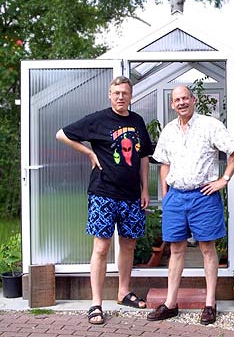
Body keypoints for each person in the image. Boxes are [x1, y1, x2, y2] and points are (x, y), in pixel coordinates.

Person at [56, 76, 153, 324]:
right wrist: (88, 152)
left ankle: (123, 292)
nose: (121, 97)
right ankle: (96, 303)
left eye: (125, 93)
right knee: (101, 248)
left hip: (131, 196)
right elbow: (61, 134)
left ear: (131, 96)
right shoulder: (98, 119)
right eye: (116, 93)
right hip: (103, 193)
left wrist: (145, 189)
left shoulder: (137, 121)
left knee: (129, 245)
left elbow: (143, 157)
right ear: (110, 95)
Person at [147, 85, 234, 325]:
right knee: (176, 249)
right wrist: (165, 191)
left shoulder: (210, 125)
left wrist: (224, 180)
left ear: (193, 99)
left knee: (207, 249)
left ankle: (210, 303)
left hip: (204, 196)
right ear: (172, 104)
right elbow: (164, 162)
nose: (181, 103)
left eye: (185, 98)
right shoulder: (169, 130)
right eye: (176, 100)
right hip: (176, 198)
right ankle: (170, 304)